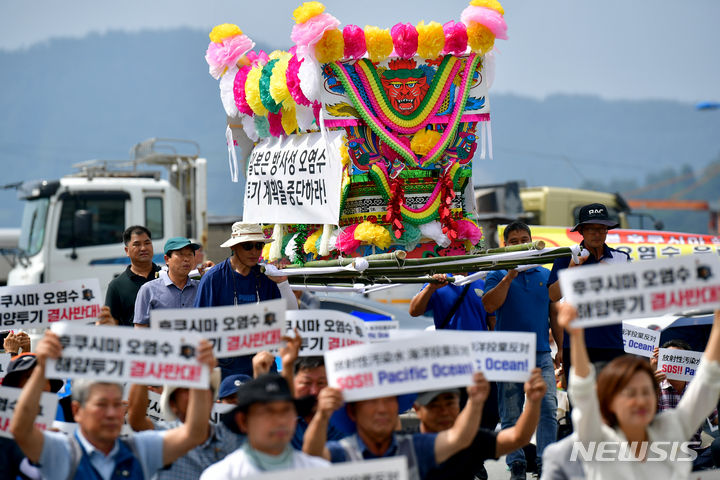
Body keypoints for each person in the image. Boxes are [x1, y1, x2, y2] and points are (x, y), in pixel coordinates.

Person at [10, 330, 216, 480]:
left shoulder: (141, 450)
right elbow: (21, 429)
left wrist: (198, 374)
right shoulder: (62, 452)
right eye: (101, 404)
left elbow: (194, 434)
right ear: (77, 410)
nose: (111, 413)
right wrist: (41, 370)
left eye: (118, 404)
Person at [558, 303, 720, 479]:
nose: (641, 401)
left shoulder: (670, 428)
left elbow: (707, 379)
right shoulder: (596, 436)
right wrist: (576, 337)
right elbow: (582, 392)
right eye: (631, 394)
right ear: (611, 402)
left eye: (646, 392)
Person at [303, 372, 490, 480]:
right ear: (353, 412)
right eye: (371, 402)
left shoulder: (415, 447)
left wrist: (475, 401)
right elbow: (311, 456)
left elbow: (459, 438)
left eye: (389, 400)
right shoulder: (342, 452)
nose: (382, 409)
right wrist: (322, 414)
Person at [482, 221, 559, 479]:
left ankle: (545, 462)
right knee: (510, 410)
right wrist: (509, 276)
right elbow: (489, 306)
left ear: (531, 240)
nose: (519, 244)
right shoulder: (497, 272)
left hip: (540, 354)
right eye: (513, 241)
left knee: (548, 407)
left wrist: (561, 348)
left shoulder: (544, 274)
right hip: (509, 354)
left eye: (523, 239)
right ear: (505, 245)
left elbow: (554, 312)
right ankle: (516, 463)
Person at [194, 222, 297, 377]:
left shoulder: (267, 276)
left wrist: (282, 282)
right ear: (234, 247)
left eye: (259, 246)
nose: (254, 251)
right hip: (226, 373)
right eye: (248, 246)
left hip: (264, 369)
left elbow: (291, 316)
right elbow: (199, 327)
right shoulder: (213, 278)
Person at [410, 368, 547, 480]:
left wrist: (533, 402)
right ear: (417, 408)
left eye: (449, 403)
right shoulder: (403, 444)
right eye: (434, 406)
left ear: (458, 403)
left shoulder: (469, 441)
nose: (444, 411)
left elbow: (518, 437)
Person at [547, 204, 630, 379]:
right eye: (591, 229)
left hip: (612, 343)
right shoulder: (566, 257)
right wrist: (571, 270)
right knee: (578, 402)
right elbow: (553, 296)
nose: (597, 233)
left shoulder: (621, 258)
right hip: (576, 344)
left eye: (601, 229)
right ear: (581, 231)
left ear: (607, 231)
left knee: (612, 402)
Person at [200, 374, 328, 477]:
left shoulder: (321, 471)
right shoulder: (220, 476)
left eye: (286, 410)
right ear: (243, 421)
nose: (280, 420)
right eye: (268, 412)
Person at [126, 369, 244, 480]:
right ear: (173, 404)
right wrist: (143, 365)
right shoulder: (163, 434)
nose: (196, 392)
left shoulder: (232, 438)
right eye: (186, 389)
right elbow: (137, 421)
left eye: (204, 387)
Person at [651, 341, 720, 471]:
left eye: (678, 358)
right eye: (670, 357)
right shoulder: (654, 387)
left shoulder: (699, 389)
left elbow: (715, 420)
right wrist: (651, 384)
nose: (674, 362)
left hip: (695, 452)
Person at [1, 353, 67, 480]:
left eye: (44, 378)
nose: (39, 384)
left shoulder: (58, 410)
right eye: (29, 377)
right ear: (15, 385)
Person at [134, 237, 201, 328]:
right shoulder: (148, 290)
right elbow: (140, 329)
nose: (186, 259)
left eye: (190, 254)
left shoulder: (200, 288)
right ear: (167, 259)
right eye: (180, 254)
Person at [103, 225, 162, 326]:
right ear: (127, 251)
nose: (143, 248)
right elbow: (112, 325)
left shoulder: (166, 276)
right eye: (137, 244)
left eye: (147, 243)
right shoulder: (117, 286)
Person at [289, 356, 347, 449]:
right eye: (306, 383)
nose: (314, 391)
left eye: (321, 383)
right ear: (292, 382)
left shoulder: (345, 420)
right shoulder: (282, 419)